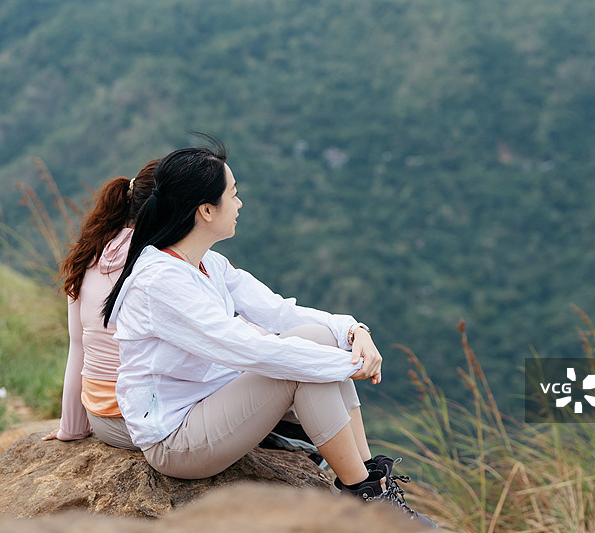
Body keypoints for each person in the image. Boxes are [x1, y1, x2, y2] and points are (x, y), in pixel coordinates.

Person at [101, 137, 436, 527]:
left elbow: (280, 313)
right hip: (176, 439)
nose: (240, 204)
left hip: (210, 405)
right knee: (304, 364)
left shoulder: (207, 263)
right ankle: (365, 499)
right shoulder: (161, 281)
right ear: (206, 210)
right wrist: (344, 365)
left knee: (314, 336)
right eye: (234, 194)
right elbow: (246, 349)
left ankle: (370, 486)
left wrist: (353, 332)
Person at [43, 160, 159, 449]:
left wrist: (71, 427)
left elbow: (78, 345)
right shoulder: (158, 261)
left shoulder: (88, 255)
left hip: (100, 413)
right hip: (145, 415)